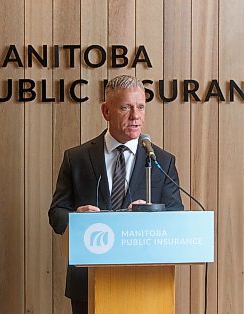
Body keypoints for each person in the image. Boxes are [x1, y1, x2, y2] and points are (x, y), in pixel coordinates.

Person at [48, 75, 184, 314]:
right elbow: (57, 212)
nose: (136, 116)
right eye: (125, 107)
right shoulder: (77, 158)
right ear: (106, 111)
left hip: (147, 282)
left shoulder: (161, 161)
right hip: (88, 281)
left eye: (140, 107)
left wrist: (152, 213)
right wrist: (77, 218)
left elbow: (176, 216)